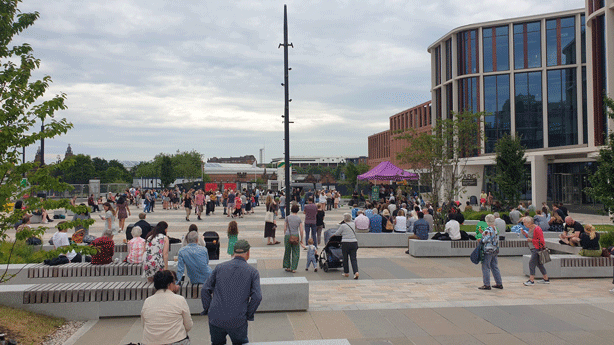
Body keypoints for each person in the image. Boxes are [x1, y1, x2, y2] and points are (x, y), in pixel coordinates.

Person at [201, 240, 261, 345]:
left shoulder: (220, 267)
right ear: (248, 253)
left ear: (233, 253)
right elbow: (257, 297)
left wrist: (208, 308)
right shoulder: (253, 272)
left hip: (216, 317)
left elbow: (205, 289)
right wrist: (248, 314)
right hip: (238, 319)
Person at [141, 270, 192, 345]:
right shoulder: (179, 299)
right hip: (176, 341)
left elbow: (144, 325)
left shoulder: (147, 301)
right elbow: (188, 325)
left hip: (149, 342)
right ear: (170, 284)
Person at [522, 217, 550, 285]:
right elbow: (530, 237)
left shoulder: (537, 229)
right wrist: (524, 234)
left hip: (536, 248)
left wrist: (532, 240)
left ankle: (531, 280)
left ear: (529, 223)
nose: (524, 224)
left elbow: (541, 240)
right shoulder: (530, 228)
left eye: (525, 223)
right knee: (539, 264)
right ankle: (546, 279)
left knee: (531, 263)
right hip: (533, 248)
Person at [478, 214, 503, 290]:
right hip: (495, 249)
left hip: (488, 250)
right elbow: (492, 237)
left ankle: (486, 284)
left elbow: (486, 239)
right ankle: (499, 283)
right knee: (494, 266)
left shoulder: (488, 229)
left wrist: (481, 240)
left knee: (485, 267)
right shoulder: (495, 228)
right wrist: (483, 233)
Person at [334, 213, 359, 279]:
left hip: (345, 243)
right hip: (354, 242)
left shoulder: (343, 225)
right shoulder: (353, 224)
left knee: (345, 258)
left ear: (344, 219)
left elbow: (337, 233)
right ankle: (356, 272)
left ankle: (346, 272)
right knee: (353, 258)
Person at [283, 204, 304, 273]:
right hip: (295, 235)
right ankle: (294, 268)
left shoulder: (287, 218)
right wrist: (302, 239)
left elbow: (285, 228)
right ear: (297, 210)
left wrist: (285, 234)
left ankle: (287, 266)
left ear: (291, 210)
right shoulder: (299, 219)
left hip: (288, 235)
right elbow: (301, 230)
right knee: (296, 252)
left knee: (287, 251)